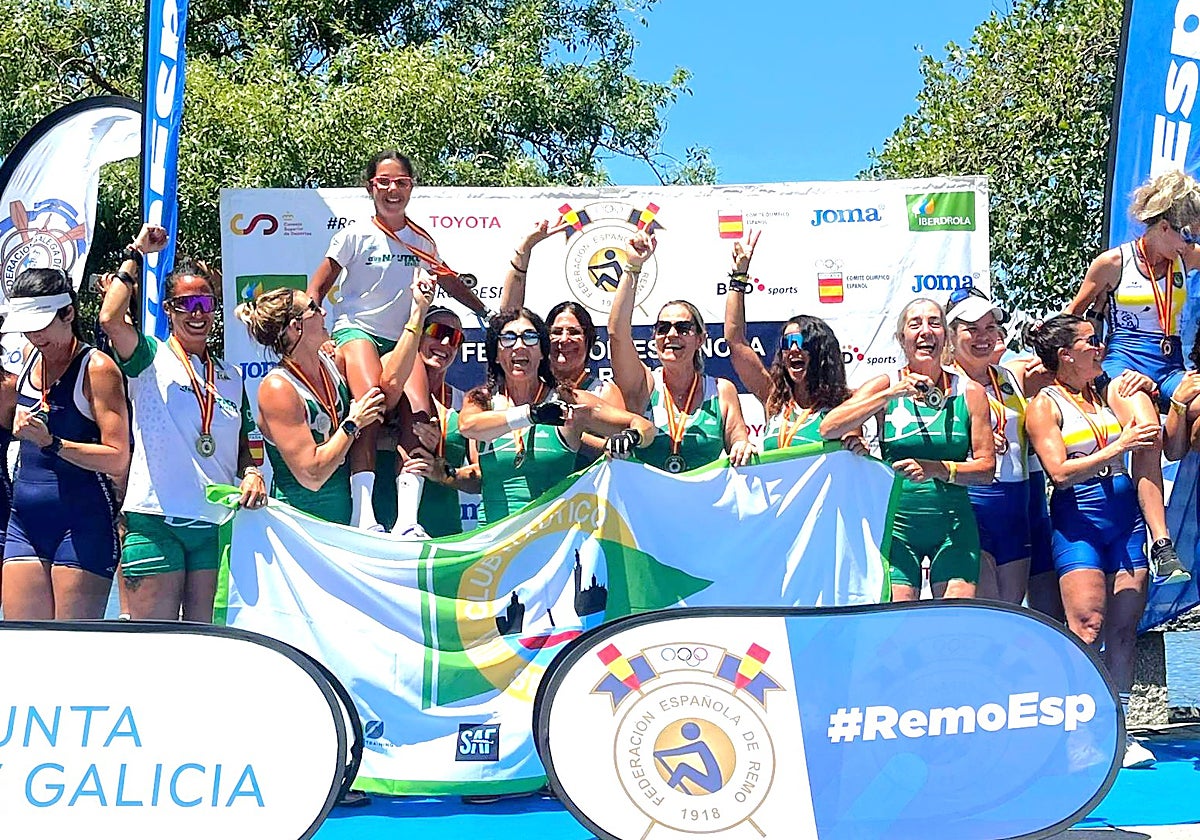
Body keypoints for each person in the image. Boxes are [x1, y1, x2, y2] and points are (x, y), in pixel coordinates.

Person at [306, 150, 489, 531]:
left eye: (401, 183)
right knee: (369, 402)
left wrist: (482, 309)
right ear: (370, 187)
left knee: (420, 412)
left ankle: (407, 519)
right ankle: (364, 514)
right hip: (357, 331)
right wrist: (316, 328)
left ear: (411, 187)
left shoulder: (422, 240)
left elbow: (449, 279)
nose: (393, 190)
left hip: (404, 337)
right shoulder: (354, 235)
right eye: (383, 182)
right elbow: (319, 285)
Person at [100, 224, 267, 621]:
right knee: (152, 647)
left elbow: (249, 444)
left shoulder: (231, 376)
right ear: (168, 310)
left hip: (212, 525)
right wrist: (138, 253)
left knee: (204, 645)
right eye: (186, 304)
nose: (197, 314)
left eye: (205, 304)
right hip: (155, 519)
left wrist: (254, 473)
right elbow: (110, 318)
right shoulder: (148, 358)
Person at [1023, 314, 1161, 769]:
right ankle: (1079, 732)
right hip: (1079, 515)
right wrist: (1118, 447)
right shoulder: (1044, 405)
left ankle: (1118, 730)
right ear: (1066, 354)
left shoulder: (1109, 391)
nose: (1100, 347)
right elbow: (1060, 473)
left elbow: (1155, 434)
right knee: (1087, 626)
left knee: (1124, 627)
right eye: (1091, 342)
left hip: (1123, 515)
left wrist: (1153, 387)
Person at [1066, 170, 1200, 582]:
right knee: (1144, 429)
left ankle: (1177, 446)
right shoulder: (1112, 263)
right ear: (1162, 227)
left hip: (1169, 365)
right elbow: (1071, 318)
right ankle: (1162, 545)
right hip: (1124, 361)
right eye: (1186, 234)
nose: (1191, 243)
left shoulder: (1185, 257)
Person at [820, 298, 996, 600]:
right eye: (915, 324)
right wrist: (883, 402)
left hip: (953, 526)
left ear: (947, 338)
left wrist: (937, 469)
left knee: (952, 621)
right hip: (897, 526)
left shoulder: (970, 392)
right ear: (902, 338)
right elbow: (830, 427)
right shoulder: (886, 385)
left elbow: (986, 469)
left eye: (934, 323)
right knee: (898, 622)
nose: (925, 331)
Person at [0, 267, 129, 619]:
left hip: (83, 522)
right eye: (27, 326)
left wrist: (54, 443)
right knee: (22, 646)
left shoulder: (97, 369)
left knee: (71, 652)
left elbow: (118, 458)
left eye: (41, 325)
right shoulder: (27, 362)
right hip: (25, 519)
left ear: (68, 313)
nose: (34, 335)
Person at [458, 308, 657, 526]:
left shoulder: (567, 399)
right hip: (496, 549)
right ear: (496, 353)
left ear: (543, 352)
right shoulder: (482, 400)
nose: (520, 345)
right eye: (508, 338)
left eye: (530, 337)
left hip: (553, 544)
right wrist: (531, 414)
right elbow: (468, 426)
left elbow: (644, 427)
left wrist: (631, 437)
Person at [236, 287, 392, 526]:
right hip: (302, 527)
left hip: (345, 521)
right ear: (295, 327)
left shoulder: (333, 362)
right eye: (313, 308)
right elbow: (312, 475)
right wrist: (353, 423)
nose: (323, 312)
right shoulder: (278, 389)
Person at [609, 231, 756, 473]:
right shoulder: (644, 385)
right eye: (663, 328)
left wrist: (743, 446)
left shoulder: (721, 390)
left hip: (702, 507)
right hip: (644, 507)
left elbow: (739, 441)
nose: (671, 334)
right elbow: (617, 334)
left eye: (683, 328)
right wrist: (632, 267)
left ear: (700, 338)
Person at [499, 219, 626, 464]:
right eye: (556, 332)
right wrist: (525, 250)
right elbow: (508, 319)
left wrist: (569, 426)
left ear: (589, 341)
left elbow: (618, 447)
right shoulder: (530, 383)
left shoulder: (603, 391)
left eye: (574, 332)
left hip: (583, 499)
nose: (564, 340)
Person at [723, 231, 851, 449]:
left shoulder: (844, 404)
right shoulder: (774, 399)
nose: (792, 349)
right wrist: (739, 277)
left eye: (801, 341)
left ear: (821, 351)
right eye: (786, 343)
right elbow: (735, 340)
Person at [944, 288, 1031, 604]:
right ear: (952, 335)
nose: (983, 337)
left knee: (1011, 612)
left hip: (1015, 505)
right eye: (972, 329)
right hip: (970, 502)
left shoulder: (1008, 376)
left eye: (990, 328)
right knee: (988, 612)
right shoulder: (944, 385)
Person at [385, 305, 482, 537]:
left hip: (445, 533)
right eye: (438, 331)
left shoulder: (465, 402)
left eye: (456, 337)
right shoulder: (393, 393)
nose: (447, 342)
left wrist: (445, 472)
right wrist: (395, 435)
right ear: (418, 334)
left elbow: (480, 478)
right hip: (388, 531)